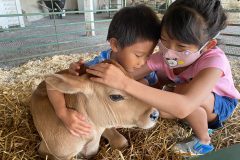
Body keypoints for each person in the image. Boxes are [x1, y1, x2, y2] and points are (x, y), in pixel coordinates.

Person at [86, 0, 240, 156]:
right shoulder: (164, 56)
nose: (169, 53)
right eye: (164, 41)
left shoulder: (214, 62)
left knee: (180, 91)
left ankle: (204, 141)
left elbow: (184, 106)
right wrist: (86, 74)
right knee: (152, 104)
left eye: (181, 47)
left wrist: (124, 83)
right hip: (182, 100)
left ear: (207, 46)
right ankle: (193, 116)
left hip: (219, 106)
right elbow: (130, 76)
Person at [46, 5, 161, 137]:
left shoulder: (146, 68)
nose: (143, 62)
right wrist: (63, 113)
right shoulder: (97, 67)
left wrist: (142, 83)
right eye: (139, 55)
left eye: (149, 55)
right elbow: (52, 84)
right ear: (115, 45)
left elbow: (155, 88)